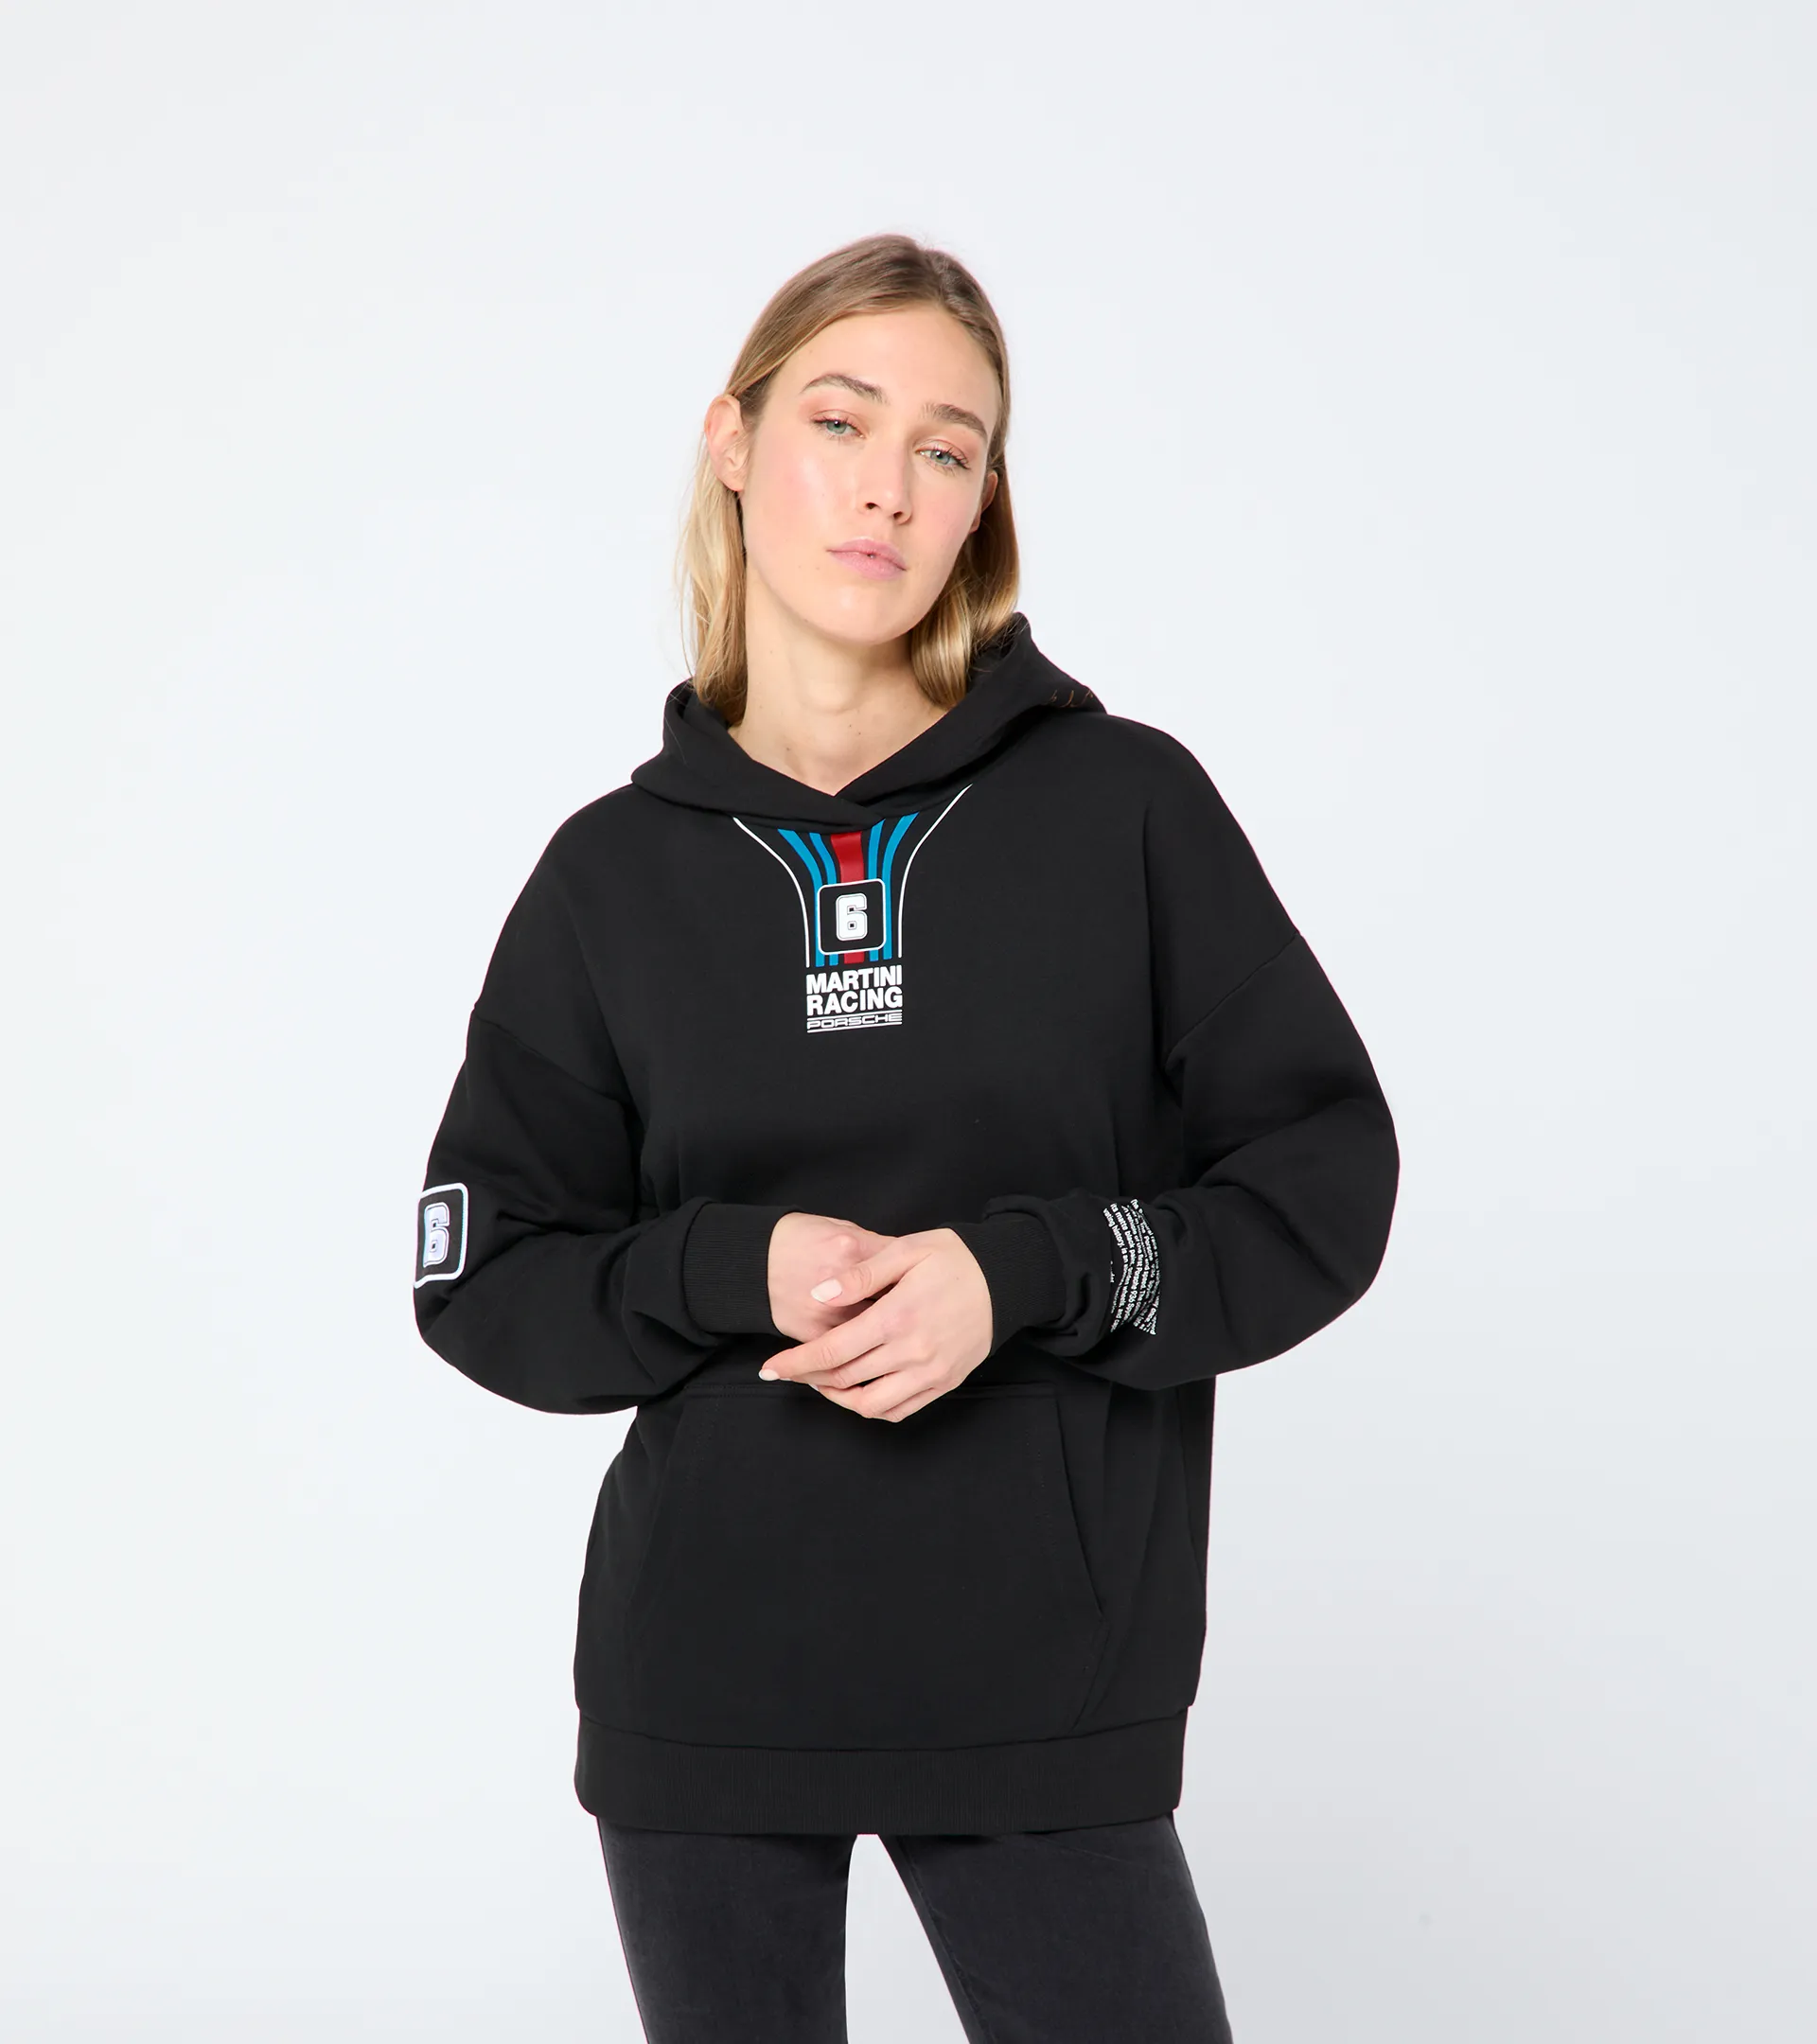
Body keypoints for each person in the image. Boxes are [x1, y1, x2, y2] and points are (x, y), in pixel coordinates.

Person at [412, 232, 1400, 2043]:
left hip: (1047, 1683)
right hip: (705, 1687)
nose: (888, 485)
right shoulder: (610, 877)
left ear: (981, 503)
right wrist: (735, 1268)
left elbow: (1320, 1178)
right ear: (733, 441)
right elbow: (486, 1276)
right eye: (840, 420)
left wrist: (1019, 1277)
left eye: (948, 448)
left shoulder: (1124, 809)